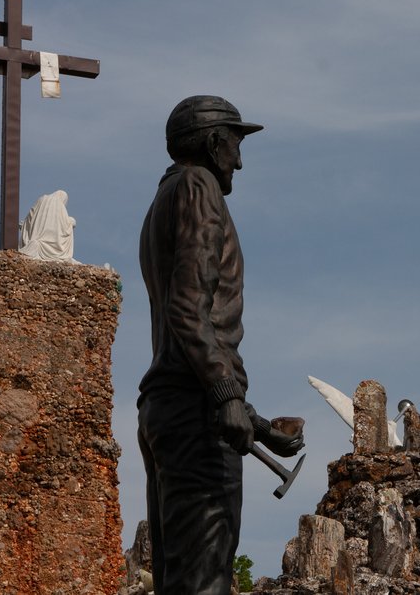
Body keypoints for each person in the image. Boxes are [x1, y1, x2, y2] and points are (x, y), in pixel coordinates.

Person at [137, 95, 304, 595]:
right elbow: (189, 310)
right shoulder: (198, 186)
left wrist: (254, 422)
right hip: (194, 415)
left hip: (174, 407)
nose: (240, 159)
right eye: (235, 143)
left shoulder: (167, 195)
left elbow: (189, 326)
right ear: (213, 143)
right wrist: (225, 394)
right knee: (204, 583)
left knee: (182, 580)